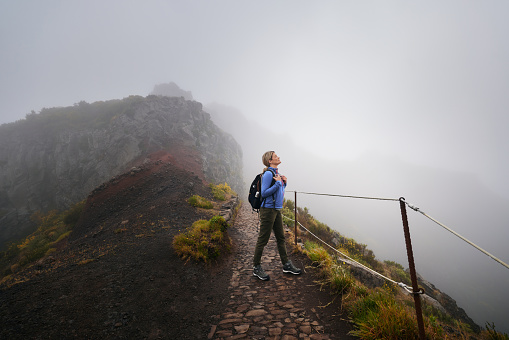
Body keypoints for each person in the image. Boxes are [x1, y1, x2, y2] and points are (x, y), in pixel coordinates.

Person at [252, 151, 302, 281]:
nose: (278, 157)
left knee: (281, 237)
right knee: (263, 239)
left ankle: (286, 265)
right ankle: (256, 267)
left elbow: (279, 192)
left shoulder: (277, 174)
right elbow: (264, 192)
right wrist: (278, 183)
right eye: (275, 156)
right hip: (268, 210)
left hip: (277, 209)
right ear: (270, 161)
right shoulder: (269, 174)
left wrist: (284, 183)